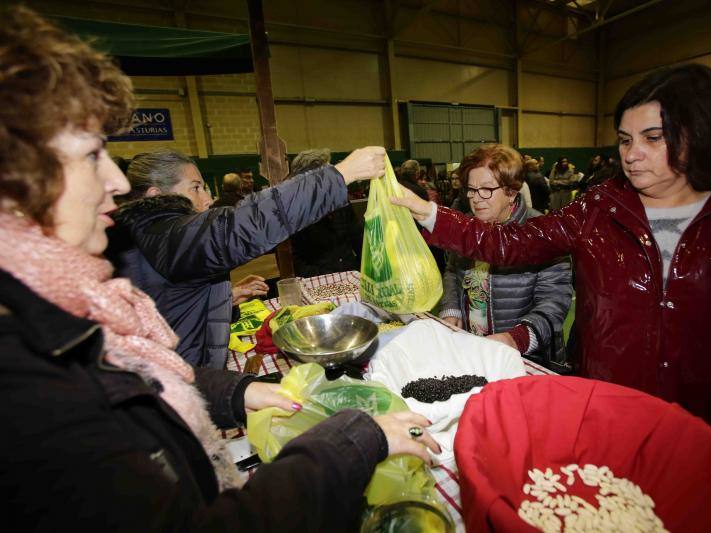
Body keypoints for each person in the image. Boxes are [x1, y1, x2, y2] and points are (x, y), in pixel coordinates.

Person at [0, 7, 440, 531]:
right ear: (17, 174)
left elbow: (135, 380)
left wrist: (235, 392)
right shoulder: (25, 375)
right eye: (94, 154)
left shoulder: (55, 312)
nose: (117, 183)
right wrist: (355, 439)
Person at [394, 63, 711, 436]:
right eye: (625, 139)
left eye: (652, 138)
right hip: (605, 402)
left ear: (701, 134)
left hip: (703, 419)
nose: (632, 154)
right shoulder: (597, 208)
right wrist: (428, 212)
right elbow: (508, 242)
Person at [109, 142, 384, 369]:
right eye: (195, 188)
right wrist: (340, 175)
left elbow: (167, 305)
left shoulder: (149, 234)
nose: (207, 199)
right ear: (156, 194)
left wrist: (224, 299)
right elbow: (248, 223)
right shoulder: (166, 233)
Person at [439, 145, 572, 363]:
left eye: (487, 189)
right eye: (471, 189)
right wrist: (451, 309)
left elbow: (554, 302)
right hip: (471, 347)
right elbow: (453, 271)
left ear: (511, 191)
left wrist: (516, 339)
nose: (476, 198)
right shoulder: (466, 226)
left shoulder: (543, 233)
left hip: (524, 357)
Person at [288, 148, 363, 277]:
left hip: (352, 274)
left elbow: (357, 238)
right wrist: (329, 278)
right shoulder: (294, 211)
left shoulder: (341, 200)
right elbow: (294, 261)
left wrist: (365, 269)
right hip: (318, 281)